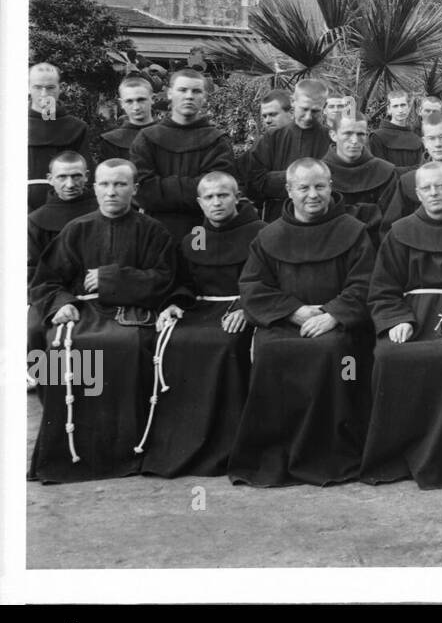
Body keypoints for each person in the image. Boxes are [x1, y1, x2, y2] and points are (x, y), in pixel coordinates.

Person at [227, 158, 376, 487]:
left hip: (337, 324)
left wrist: (333, 315)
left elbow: (364, 283)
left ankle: (329, 457)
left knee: (333, 353)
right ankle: (273, 456)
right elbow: (252, 286)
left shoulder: (353, 231)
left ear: (331, 187)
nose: (313, 194)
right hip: (283, 321)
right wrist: (292, 312)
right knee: (271, 353)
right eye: (304, 188)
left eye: (320, 186)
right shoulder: (268, 236)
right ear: (289, 191)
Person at [28, 159, 177, 482]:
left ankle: (126, 451)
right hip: (83, 311)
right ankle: (68, 449)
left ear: (134, 189)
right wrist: (60, 304)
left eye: (121, 185)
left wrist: (112, 279)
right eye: (105, 184)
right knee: (59, 348)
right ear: (94, 187)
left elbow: (164, 279)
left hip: (132, 313)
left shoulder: (152, 231)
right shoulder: (77, 229)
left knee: (129, 345)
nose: (112, 192)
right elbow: (45, 281)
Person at [363, 161, 442, 488]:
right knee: (388, 356)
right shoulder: (400, 231)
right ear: (417, 193)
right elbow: (383, 286)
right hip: (410, 315)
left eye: (441, 185)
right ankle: (394, 458)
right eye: (426, 188)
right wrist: (394, 318)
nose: (434, 193)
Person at [139, 172, 266, 477]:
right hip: (202, 307)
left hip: (241, 308)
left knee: (225, 343)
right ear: (199, 202)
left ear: (237, 197)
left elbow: (269, 281)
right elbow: (184, 282)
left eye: (223, 195)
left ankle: (228, 444)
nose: (216, 202)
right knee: (177, 341)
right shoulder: (195, 236)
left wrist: (249, 309)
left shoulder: (261, 232)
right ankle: (181, 443)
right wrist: (174, 304)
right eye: (208, 197)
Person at [130, 69, 238, 242]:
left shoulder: (217, 140)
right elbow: (142, 191)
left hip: (201, 231)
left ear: (204, 97)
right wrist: (195, 186)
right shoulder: (146, 138)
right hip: (154, 230)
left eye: (196, 91)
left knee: (197, 265)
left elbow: (217, 191)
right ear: (170, 93)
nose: (189, 96)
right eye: (183, 90)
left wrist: (163, 187)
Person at [27, 152, 98, 382]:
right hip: (50, 293)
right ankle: (48, 382)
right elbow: (29, 271)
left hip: (97, 291)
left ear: (87, 176)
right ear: (50, 178)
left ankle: (93, 381)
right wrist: (59, 301)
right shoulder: (35, 221)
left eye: (77, 176)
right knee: (36, 329)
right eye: (62, 177)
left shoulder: (102, 210)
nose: (70, 184)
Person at [244, 78, 332, 209]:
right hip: (278, 216)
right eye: (304, 109)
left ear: (324, 107)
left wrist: (276, 179)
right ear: (293, 102)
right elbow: (254, 181)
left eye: (315, 111)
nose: (308, 117)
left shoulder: (332, 140)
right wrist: (303, 177)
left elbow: (339, 180)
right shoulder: (271, 138)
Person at [322, 116, 398, 245]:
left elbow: (391, 219)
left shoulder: (384, 171)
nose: (354, 140)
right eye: (347, 133)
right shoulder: (319, 173)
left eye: (360, 134)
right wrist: (372, 211)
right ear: (333, 135)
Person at [28, 63, 90, 211]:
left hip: (65, 206)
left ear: (59, 88)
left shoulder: (77, 128)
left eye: (50, 88)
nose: (44, 94)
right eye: (38, 87)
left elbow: (85, 176)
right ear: (28, 87)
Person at [96, 76, 157, 163]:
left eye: (141, 100)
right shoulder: (112, 141)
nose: (136, 107)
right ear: (121, 103)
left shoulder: (168, 133)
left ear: (153, 99)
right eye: (129, 101)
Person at [369, 90, 424, 169]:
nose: (400, 110)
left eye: (403, 105)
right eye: (395, 106)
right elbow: (378, 170)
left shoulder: (417, 139)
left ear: (408, 107)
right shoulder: (377, 137)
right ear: (389, 110)